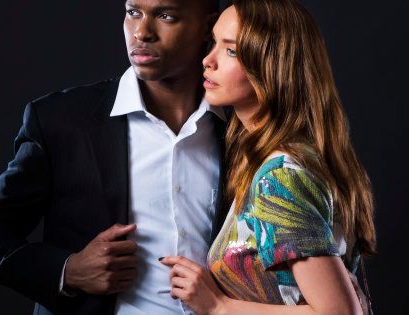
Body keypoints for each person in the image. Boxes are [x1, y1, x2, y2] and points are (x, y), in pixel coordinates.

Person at [0, 0, 227, 314]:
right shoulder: (61, 121)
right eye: (133, 13)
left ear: (210, 27)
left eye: (166, 16)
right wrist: (68, 270)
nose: (142, 32)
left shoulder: (242, 128)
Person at [158, 0, 376, 314]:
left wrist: (219, 306)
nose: (208, 60)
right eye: (213, 43)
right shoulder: (283, 161)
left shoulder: (282, 176)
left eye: (231, 51)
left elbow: (339, 312)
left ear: (272, 67)